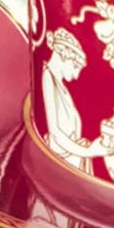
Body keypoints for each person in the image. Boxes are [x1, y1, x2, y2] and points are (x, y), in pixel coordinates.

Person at [38, 26, 101, 168]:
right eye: (76, 66)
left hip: (69, 162)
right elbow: (56, 134)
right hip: (57, 166)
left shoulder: (60, 86)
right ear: (65, 56)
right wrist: (88, 151)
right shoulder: (47, 77)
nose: (76, 75)